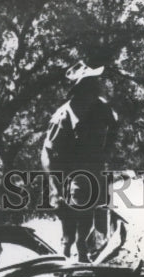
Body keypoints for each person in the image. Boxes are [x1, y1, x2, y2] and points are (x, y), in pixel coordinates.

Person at [41, 62, 118, 262]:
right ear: (82, 87)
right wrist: (55, 190)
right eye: (91, 82)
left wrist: (106, 152)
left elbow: (114, 127)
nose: (97, 85)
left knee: (91, 220)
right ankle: (65, 258)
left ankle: (84, 253)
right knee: (70, 225)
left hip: (94, 171)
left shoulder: (102, 108)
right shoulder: (63, 115)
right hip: (69, 175)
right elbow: (47, 153)